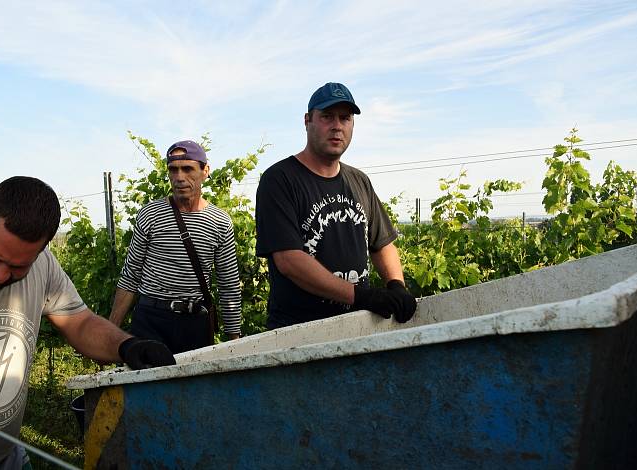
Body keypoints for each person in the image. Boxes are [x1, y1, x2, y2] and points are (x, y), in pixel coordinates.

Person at [0, 176, 175, 470]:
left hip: (9, 458)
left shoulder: (43, 264)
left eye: (18, 266)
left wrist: (126, 345)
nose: (2, 275)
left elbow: (78, 322)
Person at [255, 82, 417, 329]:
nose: (337, 126)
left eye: (345, 118)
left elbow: (382, 243)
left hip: (356, 326)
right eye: (327, 117)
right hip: (298, 332)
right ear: (308, 121)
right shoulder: (279, 179)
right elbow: (289, 260)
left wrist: (396, 285)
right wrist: (361, 297)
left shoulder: (359, 181)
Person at [109, 140, 242, 353]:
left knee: (194, 386)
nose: (179, 177)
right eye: (173, 170)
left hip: (195, 325)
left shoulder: (220, 222)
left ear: (205, 171)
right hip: (151, 321)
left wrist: (235, 343)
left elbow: (229, 285)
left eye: (188, 169)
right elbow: (130, 275)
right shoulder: (150, 214)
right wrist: (111, 333)